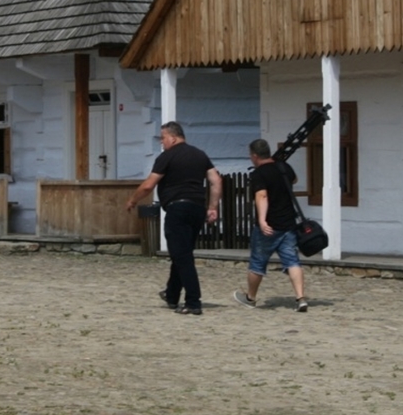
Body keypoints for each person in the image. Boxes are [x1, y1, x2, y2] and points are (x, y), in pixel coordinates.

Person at [125, 121, 222, 315]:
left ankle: (193, 302)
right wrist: (212, 207)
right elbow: (216, 180)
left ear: (173, 137)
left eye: (163, 138)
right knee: (181, 252)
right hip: (196, 209)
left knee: (183, 256)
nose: (162, 142)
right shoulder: (200, 155)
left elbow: (148, 185)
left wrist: (133, 201)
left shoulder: (167, 156)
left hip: (178, 209)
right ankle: (171, 295)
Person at [233, 138, 308, 312]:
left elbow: (262, 196)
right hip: (288, 223)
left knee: (258, 263)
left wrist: (262, 220)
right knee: (292, 261)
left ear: (254, 155)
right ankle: (300, 297)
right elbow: (294, 180)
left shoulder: (259, 174)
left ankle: (251, 298)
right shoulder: (283, 167)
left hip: (270, 226)